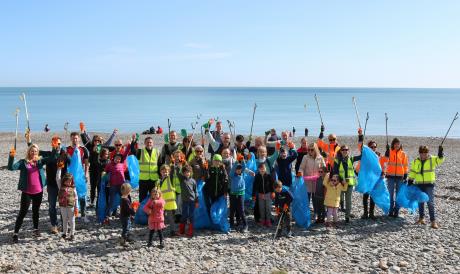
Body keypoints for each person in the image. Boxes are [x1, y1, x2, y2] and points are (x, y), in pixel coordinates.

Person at [8, 145, 51, 243]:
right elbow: (11, 167)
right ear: (29, 152)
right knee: (22, 212)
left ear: (38, 152)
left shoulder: (40, 161)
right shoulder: (23, 162)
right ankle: (15, 233)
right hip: (27, 192)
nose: (34, 153)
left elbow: (52, 157)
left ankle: (35, 230)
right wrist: (11, 156)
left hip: (38, 191)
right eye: (32, 151)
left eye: (36, 151)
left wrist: (55, 148)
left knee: (36, 211)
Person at [25, 132, 65, 234]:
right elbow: (34, 151)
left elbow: (72, 160)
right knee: (52, 206)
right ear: (52, 144)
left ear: (61, 144)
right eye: (55, 143)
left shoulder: (64, 155)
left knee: (62, 206)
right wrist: (29, 139)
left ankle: (63, 224)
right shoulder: (47, 154)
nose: (57, 145)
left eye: (58, 143)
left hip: (62, 185)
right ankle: (54, 225)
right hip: (51, 185)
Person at [408, 145, 444, 229]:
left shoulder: (433, 159)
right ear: (419, 153)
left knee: (430, 202)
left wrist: (440, 153)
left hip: (429, 184)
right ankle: (421, 218)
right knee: (420, 201)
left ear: (428, 152)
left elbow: (440, 160)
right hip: (419, 184)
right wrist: (410, 180)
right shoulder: (416, 161)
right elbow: (413, 171)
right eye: (421, 152)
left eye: (425, 152)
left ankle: (433, 221)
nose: (423, 154)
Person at [80, 129, 117, 207]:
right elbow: (84, 140)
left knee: (100, 186)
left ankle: (99, 201)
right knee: (92, 186)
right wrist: (83, 133)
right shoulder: (90, 146)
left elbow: (111, 146)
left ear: (100, 142)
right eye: (95, 140)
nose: (97, 142)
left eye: (99, 141)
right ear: (93, 141)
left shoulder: (102, 147)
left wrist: (113, 135)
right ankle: (92, 202)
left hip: (101, 170)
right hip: (93, 169)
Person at [332, 144, 362, 223]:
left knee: (348, 201)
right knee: (339, 199)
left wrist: (361, 137)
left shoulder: (351, 159)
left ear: (348, 151)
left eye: (346, 150)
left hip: (349, 184)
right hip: (340, 184)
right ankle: (337, 214)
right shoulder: (337, 160)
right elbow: (335, 172)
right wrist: (341, 180)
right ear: (341, 151)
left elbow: (361, 156)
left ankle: (347, 217)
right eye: (343, 150)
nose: (345, 151)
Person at [66, 132, 90, 222]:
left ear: (79, 139)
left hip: (80, 176)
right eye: (73, 138)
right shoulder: (67, 149)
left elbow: (87, 163)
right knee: (70, 195)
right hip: (70, 176)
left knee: (82, 195)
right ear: (70, 139)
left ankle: (83, 214)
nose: (74, 140)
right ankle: (71, 215)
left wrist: (86, 173)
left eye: (76, 138)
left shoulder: (83, 149)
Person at [358, 140, 385, 220]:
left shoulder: (378, 155)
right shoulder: (365, 154)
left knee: (373, 196)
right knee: (365, 196)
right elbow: (361, 146)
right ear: (369, 147)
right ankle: (365, 213)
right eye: (371, 147)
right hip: (367, 178)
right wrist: (360, 136)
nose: (373, 148)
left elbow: (383, 165)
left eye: (374, 147)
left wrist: (383, 174)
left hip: (375, 178)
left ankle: (372, 213)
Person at [298, 143, 326, 218]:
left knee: (316, 199)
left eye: (312, 150)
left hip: (317, 183)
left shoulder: (320, 158)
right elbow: (301, 167)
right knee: (306, 199)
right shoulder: (305, 157)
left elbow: (324, 168)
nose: (310, 151)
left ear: (316, 149)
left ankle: (316, 213)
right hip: (307, 182)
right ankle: (304, 214)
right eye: (309, 149)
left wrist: (323, 175)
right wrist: (300, 173)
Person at [383, 137, 409, 218]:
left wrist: (405, 175)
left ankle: (396, 211)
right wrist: (386, 152)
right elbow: (384, 162)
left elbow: (405, 165)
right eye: (395, 144)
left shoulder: (403, 154)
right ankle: (390, 211)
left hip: (400, 177)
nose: (397, 145)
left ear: (400, 145)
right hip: (390, 176)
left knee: (398, 195)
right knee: (390, 195)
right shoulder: (389, 152)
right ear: (393, 145)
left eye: (398, 144)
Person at [103, 151, 130, 224]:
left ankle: (123, 214)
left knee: (124, 200)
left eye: (119, 159)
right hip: (113, 186)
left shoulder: (122, 164)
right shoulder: (109, 165)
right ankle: (107, 216)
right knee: (111, 201)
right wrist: (104, 175)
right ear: (113, 158)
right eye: (116, 158)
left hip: (122, 186)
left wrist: (130, 144)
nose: (117, 160)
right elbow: (105, 171)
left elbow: (125, 155)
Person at [131, 136, 160, 202]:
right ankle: (142, 211)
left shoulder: (157, 152)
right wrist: (133, 141)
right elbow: (133, 151)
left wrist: (160, 176)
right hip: (143, 179)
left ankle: (153, 211)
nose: (149, 144)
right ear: (144, 143)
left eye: (150, 142)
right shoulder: (140, 152)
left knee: (154, 197)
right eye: (147, 142)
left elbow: (160, 164)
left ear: (153, 143)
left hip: (154, 179)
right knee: (142, 197)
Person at [229, 161, 254, 233]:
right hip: (233, 194)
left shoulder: (242, 174)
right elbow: (233, 168)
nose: (238, 170)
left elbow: (244, 166)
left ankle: (245, 225)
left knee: (241, 210)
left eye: (240, 169)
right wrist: (236, 161)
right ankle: (231, 224)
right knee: (232, 210)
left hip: (241, 194)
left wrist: (242, 160)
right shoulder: (232, 175)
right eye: (237, 169)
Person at [56, 167, 78, 241]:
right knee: (64, 220)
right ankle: (64, 233)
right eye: (67, 181)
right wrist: (59, 168)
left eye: (70, 181)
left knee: (72, 220)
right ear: (64, 181)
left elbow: (76, 198)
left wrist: (76, 207)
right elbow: (57, 178)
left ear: (72, 181)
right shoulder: (61, 186)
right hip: (63, 206)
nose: (68, 183)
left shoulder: (73, 188)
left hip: (71, 206)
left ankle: (72, 234)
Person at [156, 165, 178, 236]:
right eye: (163, 171)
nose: (165, 173)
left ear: (169, 172)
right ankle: (161, 230)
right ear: (160, 172)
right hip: (161, 203)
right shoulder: (158, 182)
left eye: (166, 171)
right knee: (161, 217)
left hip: (170, 203)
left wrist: (173, 165)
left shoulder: (170, 179)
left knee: (171, 218)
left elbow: (173, 173)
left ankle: (173, 231)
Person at [252, 163, 275, 227]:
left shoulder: (268, 176)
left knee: (268, 208)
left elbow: (272, 185)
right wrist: (253, 195)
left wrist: (273, 192)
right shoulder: (257, 176)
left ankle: (268, 221)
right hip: (260, 194)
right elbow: (255, 186)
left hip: (268, 194)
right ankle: (262, 221)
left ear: (266, 169)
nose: (262, 170)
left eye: (263, 168)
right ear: (258, 169)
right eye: (261, 169)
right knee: (261, 208)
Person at [178, 165, 198, 237]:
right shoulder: (181, 179)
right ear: (183, 173)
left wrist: (197, 201)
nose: (187, 173)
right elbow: (178, 172)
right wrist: (177, 164)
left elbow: (196, 191)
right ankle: (181, 231)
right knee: (184, 215)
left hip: (192, 201)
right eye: (185, 172)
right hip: (185, 201)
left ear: (191, 172)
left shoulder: (193, 181)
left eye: (188, 172)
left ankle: (190, 231)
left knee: (191, 216)